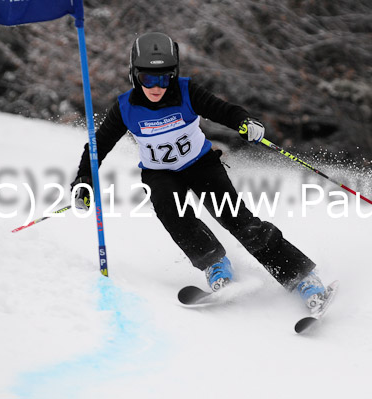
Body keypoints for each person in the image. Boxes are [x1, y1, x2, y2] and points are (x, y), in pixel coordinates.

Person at [72, 32, 329, 312]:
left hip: (201, 164)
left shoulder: (185, 91)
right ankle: (215, 264)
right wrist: (85, 178)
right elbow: (98, 145)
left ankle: (302, 278)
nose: (157, 86)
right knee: (172, 213)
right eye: (148, 78)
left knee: (239, 221)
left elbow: (224, 110)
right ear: (134, 76)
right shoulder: (125, 108)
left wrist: (245, 122)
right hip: (160, 174)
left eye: (164, 77)